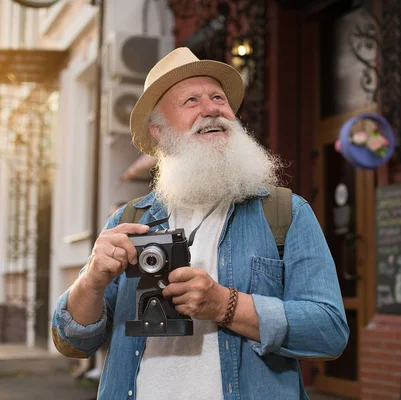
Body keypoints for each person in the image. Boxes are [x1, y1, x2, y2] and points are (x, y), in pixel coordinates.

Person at [51, 47, 348, 400]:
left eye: (218, 98)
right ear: (158, 131)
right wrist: (92, 279)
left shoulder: (286, 212)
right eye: (191, 100)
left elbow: (329, 331)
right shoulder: (129, 220)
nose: (212, 109)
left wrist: (224, 305)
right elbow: (74, 341)